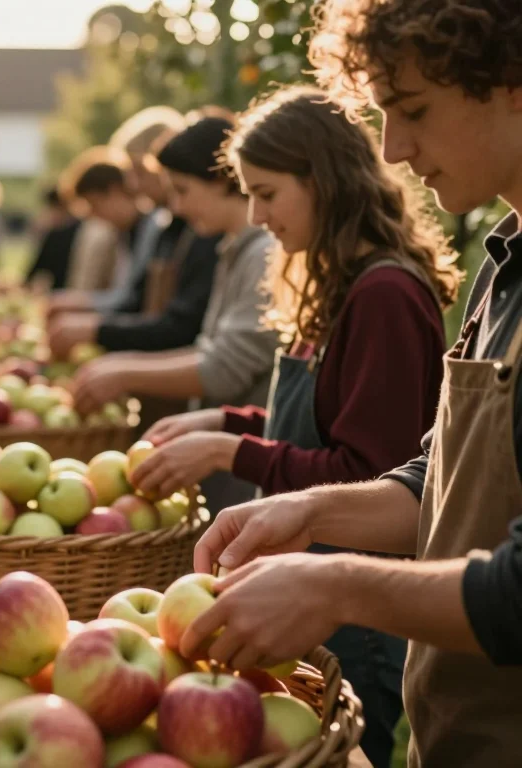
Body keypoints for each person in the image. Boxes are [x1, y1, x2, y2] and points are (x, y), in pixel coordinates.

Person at [180, 2, 522, 766]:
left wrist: (335, 585)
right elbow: (438, 475)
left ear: (510, 83)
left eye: (414, 112)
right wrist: (309, 512)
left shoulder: (390, 290)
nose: (394, 149)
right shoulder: (506, 273)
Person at [130, 87, 459, 766]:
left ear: (325, 180)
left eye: (269, 193)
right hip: (305, 583)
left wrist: (231, 449)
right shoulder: (343, 284)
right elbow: (320, 422)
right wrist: (223, 419)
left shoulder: (385, 296)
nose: (256, 215)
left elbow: (371, 470)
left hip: (353, 611)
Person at [72, 114, 280, 511]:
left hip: (253, 474)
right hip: (231, 459)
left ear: (220, 180)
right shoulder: (233, 248)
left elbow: (223, 368)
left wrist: (124, 370)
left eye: (183, 191)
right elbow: (209, 348)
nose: (178, 207)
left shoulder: (263, 255)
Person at [48, 110, 224, 358]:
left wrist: (97, 330)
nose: (134, 185)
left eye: (139, 171)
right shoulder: (169, 227)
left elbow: (182, 327)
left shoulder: (201, 230)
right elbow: (138, 301)